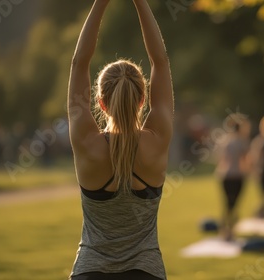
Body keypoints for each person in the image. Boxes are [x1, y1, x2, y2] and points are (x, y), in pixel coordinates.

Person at [68, 0, 173, 279]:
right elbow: (160, 62)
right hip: (146, 271)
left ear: (101, 103)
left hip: (90, 270)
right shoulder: (157, 141)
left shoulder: (87, 144)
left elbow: (79, 63)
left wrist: (101, 3)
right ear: (142, 100)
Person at [215, 115, 250, 241]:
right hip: (237, 176)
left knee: (227, 204)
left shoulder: (224, 141)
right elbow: (244, 161)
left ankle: (225, 229)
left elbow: (220, 159)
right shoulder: (241, 142)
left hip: (224, 175)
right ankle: (229, 231)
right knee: (233, 205)